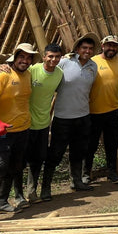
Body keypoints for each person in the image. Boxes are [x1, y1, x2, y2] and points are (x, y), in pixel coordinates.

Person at [0, 42, 37, 227]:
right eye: (22, 57)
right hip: (1, 131)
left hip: (22, 129)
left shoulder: (28, 74)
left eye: (29, 58)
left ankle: (3, 202)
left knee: (15, 166)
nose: (25, 60)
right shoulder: (2, 75)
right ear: (14, 57)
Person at [41, 33, 99, 200]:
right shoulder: (64, 62)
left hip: (83, 116)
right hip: (63, 118)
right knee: (56, 153)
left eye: (90, 48)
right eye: (84, 48)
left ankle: (77, 182)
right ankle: (46, 188)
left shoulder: (92, 67)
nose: (87, 51)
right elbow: (49, 74)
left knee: (79, 151)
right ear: (77, 49)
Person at [17, 43, 63, 205]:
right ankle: (18, 194)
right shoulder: (32, 70)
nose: (53, 59)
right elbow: (16, 73)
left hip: (43, 124)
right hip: (25, 124)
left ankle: (32, 191)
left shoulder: (59, 74)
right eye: (50, 56)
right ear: (44, 57)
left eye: (57, 57)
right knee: (20, 161)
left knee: (38, 159)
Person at [85, 35, 118, 184]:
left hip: (113, 109)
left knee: (112, 144)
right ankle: (86, 173)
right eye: (109, 45)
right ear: (102, 45)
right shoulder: (92, 61)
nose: (112, 48)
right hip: (93, 111)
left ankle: (112, 172)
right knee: (91, 145)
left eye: (114, 46)